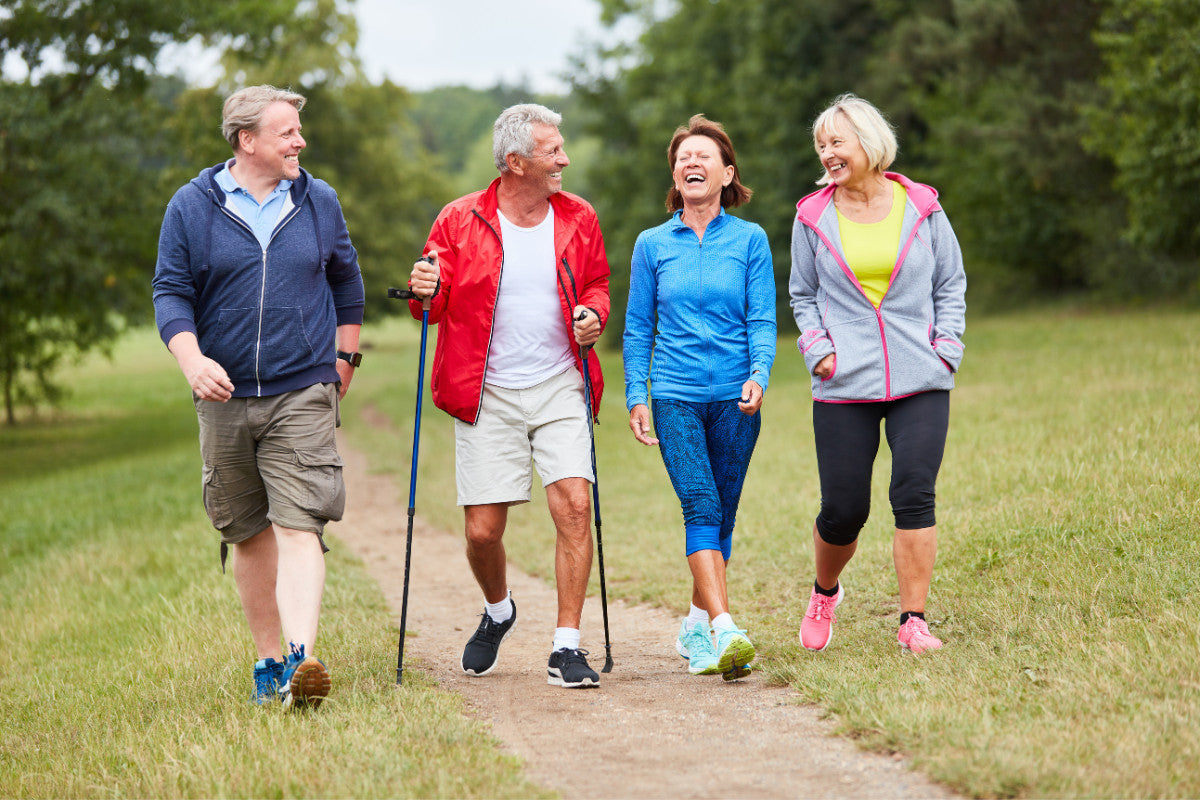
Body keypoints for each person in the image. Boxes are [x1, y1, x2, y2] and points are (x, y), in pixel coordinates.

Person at [152, 85, 365, 707]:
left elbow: (346, 281)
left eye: (299, 131)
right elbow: (170, 293)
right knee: (247, 532)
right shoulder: (192, 207)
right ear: (248, 141)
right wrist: (192, 361)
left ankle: (303, 660)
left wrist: (344, 360)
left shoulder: (317, 200)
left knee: (301, 524)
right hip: (223, 396)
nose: (301, 141)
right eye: (288, 132)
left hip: (301, 386)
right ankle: (269, 663)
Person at [406, 103, 610, 689]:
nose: (564, 158)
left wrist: (593, 315)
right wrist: (426, 287)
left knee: (574, 503)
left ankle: (566, 646)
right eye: (553, 151)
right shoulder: (458, 219)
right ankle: (499, 610)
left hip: (558, 383)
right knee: (482, 533)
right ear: (515, 162)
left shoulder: (578, 217)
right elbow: (433, 305)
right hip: (485, 391)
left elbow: (596, 283)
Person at [789, 93, 966, 655]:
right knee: (844, 510)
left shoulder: (922, 206)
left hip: (921, 373)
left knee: (914, 493)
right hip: (844, 380)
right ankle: (825, 591)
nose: (827, 153)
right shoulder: (811, 216)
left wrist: (946, 348)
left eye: (836, 142)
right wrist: (819, 349)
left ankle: (912, 620)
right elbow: (802, 293)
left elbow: (950, 283)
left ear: (868, 142)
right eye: (821, 145)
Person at [623, 115, 776, 680]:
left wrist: (760, 373)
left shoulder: (750, 240)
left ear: (727, 173)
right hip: (675, 394)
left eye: (703, 156)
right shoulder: (652, 244)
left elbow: (762, 318)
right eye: (683, 156)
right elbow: (639, 328)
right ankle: (726, 628)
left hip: (737, 397)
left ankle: (695, 623)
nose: (691, 163)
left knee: (723, 515)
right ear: (675, 173)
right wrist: (636, 394)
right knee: (700, 505)